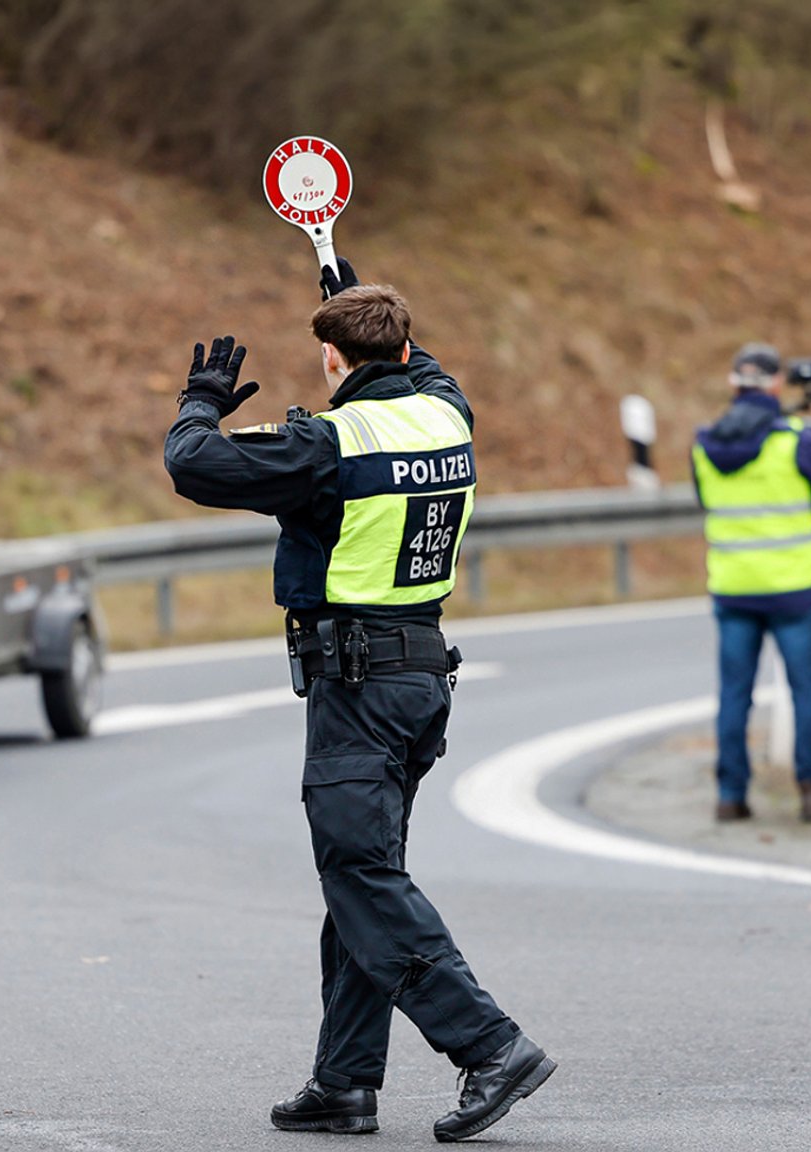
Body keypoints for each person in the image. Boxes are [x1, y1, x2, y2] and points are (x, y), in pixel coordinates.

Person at [164, 259, 554, 1143]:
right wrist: (355, 291)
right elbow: (423, 362)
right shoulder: (447, 412)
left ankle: (489, 1046)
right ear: (407, 345)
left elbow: (193, 464)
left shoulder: (326, 445)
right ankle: (345, 1084)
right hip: (421, 678)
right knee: (363, 875)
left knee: (360, 875)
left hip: (356, 684)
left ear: (334, 362)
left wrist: (202, 398)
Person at [690, 343, 811, 823]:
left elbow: (707, 503)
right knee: (805, 691)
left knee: (735, 695)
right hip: (794, 589)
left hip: (734, 586)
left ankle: (730, 796)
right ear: (777, 385)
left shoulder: (704, 443)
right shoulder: (797, 440)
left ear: (734, 384)